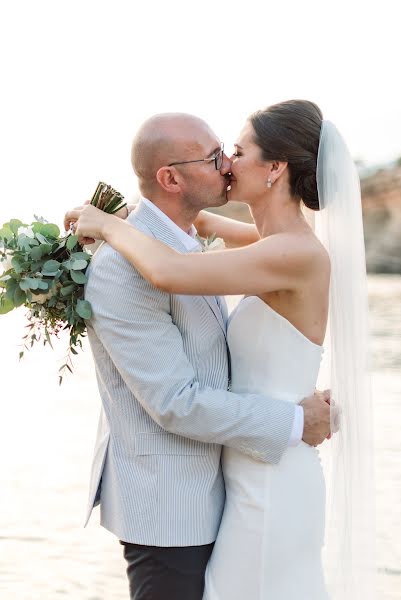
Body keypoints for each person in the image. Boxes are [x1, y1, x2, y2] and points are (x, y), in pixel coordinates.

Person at [66, 100, 376, 600]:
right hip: (245, 471)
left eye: (235, 151)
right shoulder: (274, 244)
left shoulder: (292, 254)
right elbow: (201, 232)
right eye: (218, 155)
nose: (228, 164)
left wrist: (104, 224)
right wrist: (135, 218)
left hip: (273, 476)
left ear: (275, 168)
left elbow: (172, 272)